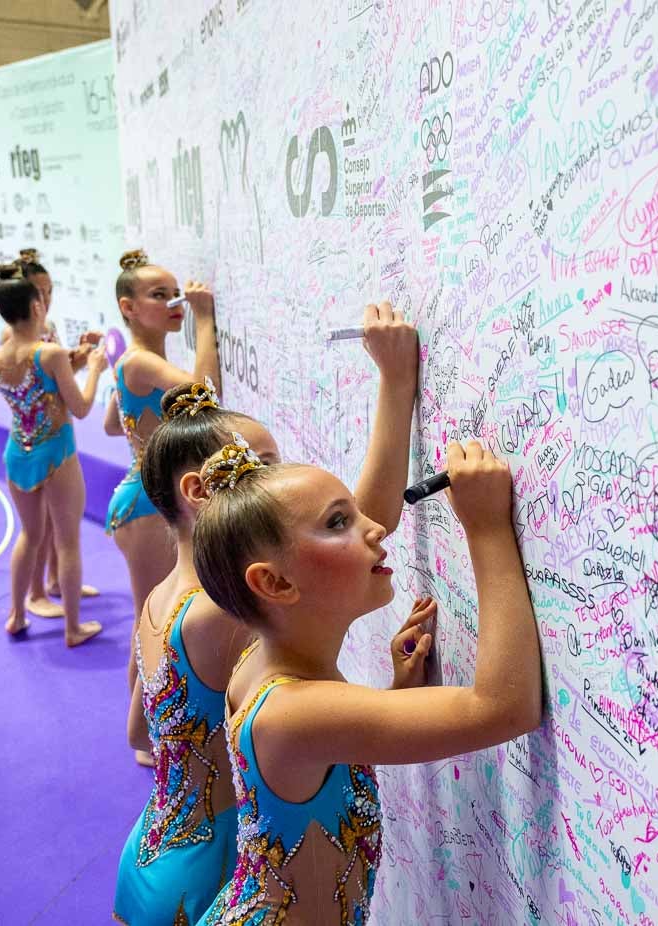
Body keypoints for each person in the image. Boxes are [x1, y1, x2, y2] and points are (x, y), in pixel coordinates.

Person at [115, 303, 424, 923]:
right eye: (259, 470)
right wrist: (395, 385)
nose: (273, 486)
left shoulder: (161, 599)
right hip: (211, 873)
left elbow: (138, 734)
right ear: (201, 492)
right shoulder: (216, 611)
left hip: (153, 855)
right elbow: (369, 525)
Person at [192, 434, 542, 924]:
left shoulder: (268, 662)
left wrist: (398, 697)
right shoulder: (290, 710)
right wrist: (486, 527)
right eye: (339, 521)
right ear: (274, 583)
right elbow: (505, 708)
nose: (375, 528)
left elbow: (326, 753)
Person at [104, 248, 221, 765]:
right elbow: (206, 393)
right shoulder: (138, 360)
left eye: (176, 294)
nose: (174, 302)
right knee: (150, 620)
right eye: (161, 295)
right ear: (128, 307)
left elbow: (112, 423)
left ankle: (148, 729)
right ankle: (144, 735)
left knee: (153, 615)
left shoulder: (137, 366)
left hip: (146, 498)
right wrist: (207, 318)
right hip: (147, 505)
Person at [0, 263, 108, 645]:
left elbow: (32, 393)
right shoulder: (50, 353)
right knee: (67, 540)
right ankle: (73, 628)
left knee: (30, 536)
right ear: (37, 306)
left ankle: (17, 614)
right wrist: (96, 370)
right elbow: (82, 407)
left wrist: (75, 360)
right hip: (57, 452)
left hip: (18, 452)